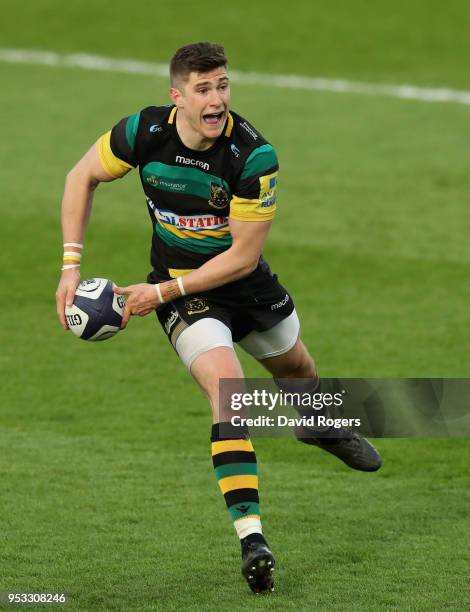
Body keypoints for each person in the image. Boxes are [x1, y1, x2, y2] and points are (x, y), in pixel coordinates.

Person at [56, 42, 381, 594]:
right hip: (186, 295)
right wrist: (71, 265)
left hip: (240, 285)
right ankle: (253, 539)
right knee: (229, 391)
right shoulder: (142, 132)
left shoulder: (254, 156)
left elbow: (243, 257)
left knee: (298, 370)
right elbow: (80, 176)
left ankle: (315, 422)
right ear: (177, 96)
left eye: (223, 86)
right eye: (203, 89)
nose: (216, 100)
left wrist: (160, 292)